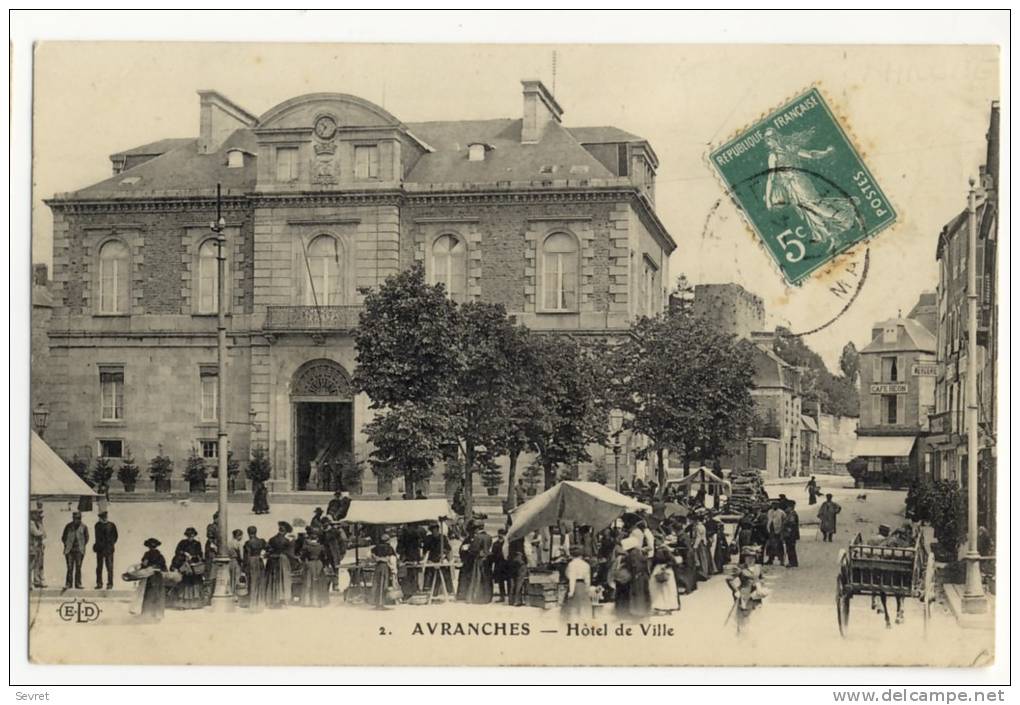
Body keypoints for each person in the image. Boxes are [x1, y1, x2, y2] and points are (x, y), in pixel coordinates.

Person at [727, 546, 767, 634]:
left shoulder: (758, 567)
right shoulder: (740, 568)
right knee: (743, 618)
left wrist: (760, 586)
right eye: (748, 557)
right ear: (744, 558)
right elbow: (729, 579)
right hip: (744, 595)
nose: (750, 559)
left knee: (756, 615)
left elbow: (762, 579)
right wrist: (736, 590)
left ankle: (754, 638)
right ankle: (741, 637)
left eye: (752, 557)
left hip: (756, 596)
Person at [614, 536, 651, 621]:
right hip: (642, 576)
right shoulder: (638, 552)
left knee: (637, 595)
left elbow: (634, 566)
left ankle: (637, 614)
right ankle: (642, 613)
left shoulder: (632, 554)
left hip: (637, 577)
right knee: (642, 595)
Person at [170, 527, 205, 609]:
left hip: (194, 566)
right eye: (189, 535)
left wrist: (194, 557)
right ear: (186, 535)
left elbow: (199, 554)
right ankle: (183, 604)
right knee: (184, 584)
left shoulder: (197, 543)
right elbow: (177, 552)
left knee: (195, 584)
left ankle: (194, 604)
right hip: (185, 566)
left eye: (192, 535)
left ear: (194, 535)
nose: (190, 537)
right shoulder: (182, 543)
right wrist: (185, 554)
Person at [264, 521, 294, 608]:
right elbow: (289, 553)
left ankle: (272, 599)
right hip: (282, 560)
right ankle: (282, 598)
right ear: (285, 532)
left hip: (272, 560)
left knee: (272, 579)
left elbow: (268, 550)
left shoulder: (271, 539)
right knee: (283, 579)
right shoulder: (286, 541)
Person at [299, 527, 330, 607]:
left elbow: (302, 557)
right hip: (319, 564)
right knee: (318, 583)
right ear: (317, 538)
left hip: (309, 564)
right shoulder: (321, 547)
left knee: (308, 583)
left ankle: (307, 602)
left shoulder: (306, 547)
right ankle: (318, 601)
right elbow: (325, 557)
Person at [138, 538, 167, 622]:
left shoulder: (147, 554)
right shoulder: (160, 556)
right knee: (158, 595)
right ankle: (158, 614)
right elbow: (164, 568)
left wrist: (146, 567)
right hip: (158, 577)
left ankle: (147, 613)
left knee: (149, 595)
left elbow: (144, 565)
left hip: (151, 577)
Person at [561, 545, 593, 621]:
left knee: (574, 609)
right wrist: (587, 590)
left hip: (575, 587)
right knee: (584, 609)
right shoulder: (586, 565)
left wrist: (571, 592)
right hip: (583, 586)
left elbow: (572, 579)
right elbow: (588, 580)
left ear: (572, 555)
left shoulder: (571, 564)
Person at [649, 538, 680, 614]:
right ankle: (658, 606)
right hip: (658, 569)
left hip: (665, 570)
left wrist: (666, 566)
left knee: (667, 590)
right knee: (657, 589)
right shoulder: (657, 550)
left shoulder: (665, 550)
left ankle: (668, 607)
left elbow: (673, 561)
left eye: (657, 542)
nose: (656, 543)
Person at [423, 523, 454, 597]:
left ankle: (449, 591)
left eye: (436, 530)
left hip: (441, 558)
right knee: (429, 574)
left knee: (445, 573)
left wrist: (444, 555)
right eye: (433, 530)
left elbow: (448, 549)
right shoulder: (429, 538)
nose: (434, 532)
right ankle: (430, 591)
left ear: (438, 530)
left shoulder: (443, 538)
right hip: (432, 559)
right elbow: (425, 550)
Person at [467, 522, 494, 605]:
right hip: (487, 559)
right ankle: (488, 597)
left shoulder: (477, 537)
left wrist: (469, 548)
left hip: (479, 559)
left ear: (477, 529)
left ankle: (478, 598)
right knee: (487, 578)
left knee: (478, 578)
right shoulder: (489, 537)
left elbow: (473, 549)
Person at [61, 511, 89, 590]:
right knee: (69, 567)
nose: (77, 520)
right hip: (69, 550)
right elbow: (63, 537)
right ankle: (68, 584)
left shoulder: (84, 527)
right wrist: (67, 544)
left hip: (79, 550)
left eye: (78, 518)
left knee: (78, 567)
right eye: (75, 518)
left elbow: (86, 538)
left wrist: (81, 545)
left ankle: (78, 584)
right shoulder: (68, 526)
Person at [396, 524, 424, 599]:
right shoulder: (415, 536)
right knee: (411, 576)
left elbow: (399, 549)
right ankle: (411, 592)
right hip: (411, 559)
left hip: (409, 559)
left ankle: (409, 593)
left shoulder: (405, 537)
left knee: (408, 577)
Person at [370, 533, 397, 609]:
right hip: (385, 566)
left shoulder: (376, 547)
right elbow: (391, 559)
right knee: (383, 584)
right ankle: (381, 603)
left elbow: (370, 554)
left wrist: (377, 558)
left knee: (377, 584)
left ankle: (377, 603)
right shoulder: (389, 548)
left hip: (378, 566)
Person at [93, 510, 118, 589]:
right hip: (100, 550)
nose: (103, 518)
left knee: (109, 567)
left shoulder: (111, 525)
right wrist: (97, 546)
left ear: (106, 517)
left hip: (109, 550)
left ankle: (110, 584)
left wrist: (110, 545)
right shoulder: (97, 525)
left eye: (104, 517)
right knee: (99, 567)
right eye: (102, 517)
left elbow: (115, 537)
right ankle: (99, 583)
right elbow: (96, 537)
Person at [507, 532, 531, 607]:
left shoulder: (510, 539)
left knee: (512, 581)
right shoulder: (523, 539)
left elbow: (505, 551)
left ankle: (511, 600)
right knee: (520, 581)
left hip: (511, 561)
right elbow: (527, 552)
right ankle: (517, 601)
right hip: (521, 561)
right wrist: (529, 561)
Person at [489, 528, 512, 602]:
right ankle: (502, 596)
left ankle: (509, 596)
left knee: (508, 581)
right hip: (499, 564)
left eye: (502, 534)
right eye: (500, 534)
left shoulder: (507, 543)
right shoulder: (495, 544)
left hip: (506, 565)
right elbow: (493, 554)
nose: (500, 535)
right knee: (500, 581)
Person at [765, 501, 786, 566]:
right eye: (773, 504)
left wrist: (782, 531)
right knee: (770, 546)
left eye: (776, 504)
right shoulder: (769, 512)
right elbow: (768, 520)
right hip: (771, 531)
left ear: (778, 505)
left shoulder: (781, 512)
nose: (774, 506)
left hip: (778, 531)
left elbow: (784, 522)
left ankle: (781, 560)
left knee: (779, 546)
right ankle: (770, 559)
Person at [29, 508, 46, 589]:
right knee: (31, 565)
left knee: (38, 564)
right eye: (37, 514)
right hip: (32, 548)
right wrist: (41, 527)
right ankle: (29, 583)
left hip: (38, 547)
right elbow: (38, 533)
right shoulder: (31, 523)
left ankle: (37, 581)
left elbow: (44, 534)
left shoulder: (37, 524)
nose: (39, 516)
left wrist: (40, 524)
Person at [782, 500, 800, 568]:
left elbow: (791, 523)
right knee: (789, 548)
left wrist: (786, 526)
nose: (787, 508)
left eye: (788, 507)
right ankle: (792, 562)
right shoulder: (789, 513)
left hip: (791, 533)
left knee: (790, 548)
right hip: (789, 533)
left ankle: (792, 562)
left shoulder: (792, 514)